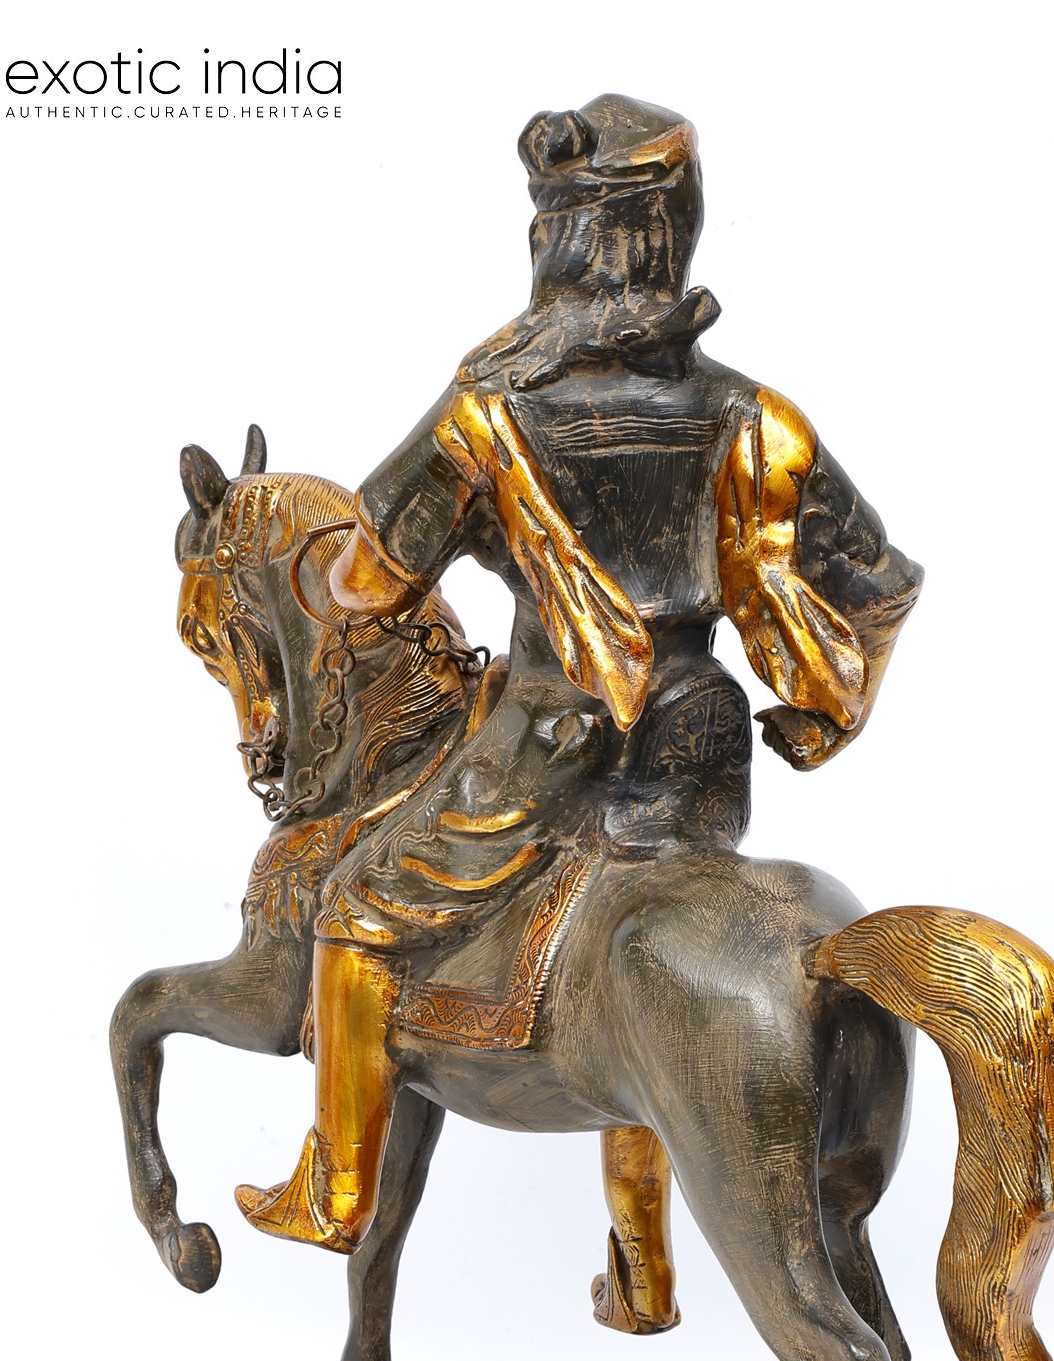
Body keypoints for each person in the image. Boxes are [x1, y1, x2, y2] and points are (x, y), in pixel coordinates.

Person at [237, 93, 923, 1257]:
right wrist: (822, 719)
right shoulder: (756, 417)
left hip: (553, 742)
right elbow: (879, 588)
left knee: (355, 912)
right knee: (631, 956)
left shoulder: (491, 411)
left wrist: (377, 562)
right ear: (678, 231)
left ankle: (338, 1191)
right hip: (702, 752)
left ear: (558, 239)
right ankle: (643, 1266)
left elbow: (367, 582)